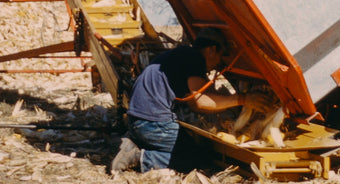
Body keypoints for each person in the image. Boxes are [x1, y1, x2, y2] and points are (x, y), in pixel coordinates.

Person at [111, 27, 259, 174]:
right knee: (198, 159)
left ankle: (134, 144)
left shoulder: (181, 55)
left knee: (192, 147)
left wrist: (226, 107)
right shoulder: (194, 59)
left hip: (137, 120)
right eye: (221, 56)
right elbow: (200, 102)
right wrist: (242, 100)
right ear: (212, 50)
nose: (218, 64)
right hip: (151, 123)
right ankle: (140, 157)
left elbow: (195, 104)